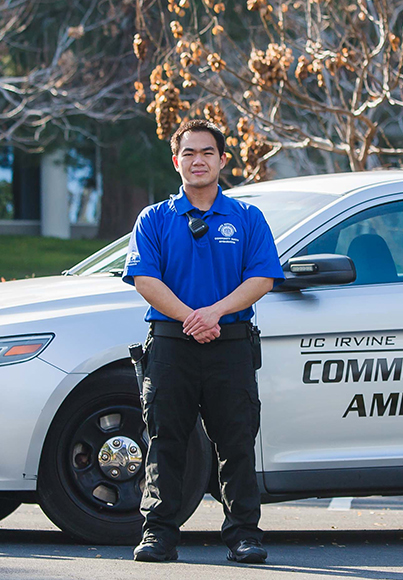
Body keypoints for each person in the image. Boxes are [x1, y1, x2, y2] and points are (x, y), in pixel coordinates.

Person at [123, 119, 282, 564]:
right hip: (172, 344)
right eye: (189, 153)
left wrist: (213, 313)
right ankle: (159, 536)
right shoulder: (154, 219)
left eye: (207, 153)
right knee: (165, 440)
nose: (198, 160)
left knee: (235, 443)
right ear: (176, 161)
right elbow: (144, 279)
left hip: (229, 343)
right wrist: (191, 317)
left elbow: (263, 277)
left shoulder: (247, 218)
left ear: (222, 161)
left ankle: (244, 536)